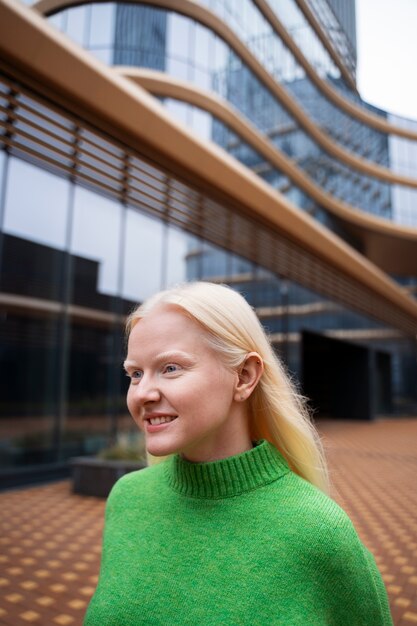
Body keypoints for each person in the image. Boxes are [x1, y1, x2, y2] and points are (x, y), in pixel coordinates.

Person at [84, 281, 393, 625]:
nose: (142, 393)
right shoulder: (127, 498)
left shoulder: (318, 531)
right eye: (135, 373)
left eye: (170, 368)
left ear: (244, 377)